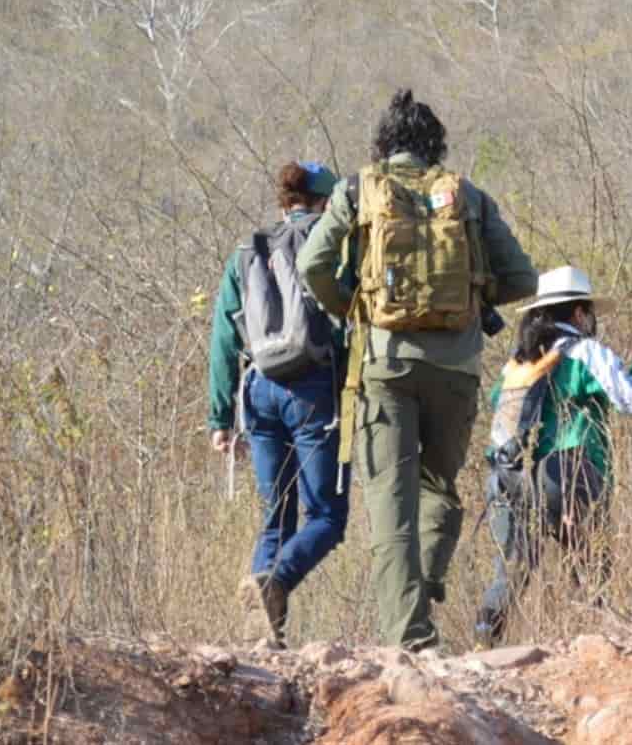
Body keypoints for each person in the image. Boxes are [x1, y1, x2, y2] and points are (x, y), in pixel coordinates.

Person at [299, 90, 537, 651]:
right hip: (455, 369)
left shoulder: (357, 190)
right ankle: (425, 581)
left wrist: (350, 306)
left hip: (384, 366)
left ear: (383, 144)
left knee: (390, 505)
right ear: (436, 146)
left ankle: (411, 638)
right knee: (438, 488)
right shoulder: (468, 196)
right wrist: (474, 297)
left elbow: (312, 264)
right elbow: (523, 279)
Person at [473, 265, 632, 645]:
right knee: (591, 565)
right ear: (579, 313)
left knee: (511, 573)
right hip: (569, 473)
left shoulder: (516, 365)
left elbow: (500, 413)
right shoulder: (585, 353)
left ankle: (483, 639)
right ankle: (595, 647)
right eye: (589, 312)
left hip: (507, 480)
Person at [207, 160, 348, 648]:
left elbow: (225, 335)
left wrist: (219, 415)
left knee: (276, 513)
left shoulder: (248, 251)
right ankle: (277, 580)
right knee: (327, 516)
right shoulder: (330, 245)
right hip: (312, 391)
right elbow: (347, 321)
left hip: (258, 391)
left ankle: (263, 640)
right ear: (325, 204)